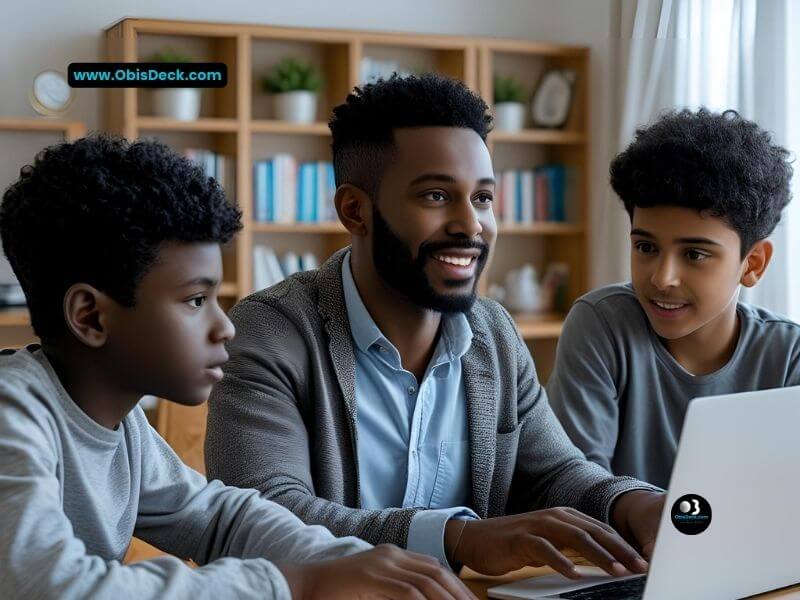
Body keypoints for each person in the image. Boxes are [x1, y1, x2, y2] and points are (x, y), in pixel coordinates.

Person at [205, 73, 665, 581]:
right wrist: (459, 539)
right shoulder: (272, 330)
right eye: (435, 196)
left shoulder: (492, 333)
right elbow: (264, 516)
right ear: (355, 211)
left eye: (483, 199)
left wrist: (633, 503)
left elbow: (554, 473)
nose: (471, 226)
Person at [0, 134, 475, 600]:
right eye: (195, 300)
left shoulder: (122, 428)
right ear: (90, 316)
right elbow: (51, 587)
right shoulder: (12, 414)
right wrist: (297, 584)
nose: (225, 327)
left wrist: (347, 562)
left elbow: (220, 518)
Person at [547, 108, 800, 488]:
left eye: (695, 254)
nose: (662, 278)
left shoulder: (789, 355)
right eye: (646, 247)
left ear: (753, 263)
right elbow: (575, 487)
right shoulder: (601, 325)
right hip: (617, 548)